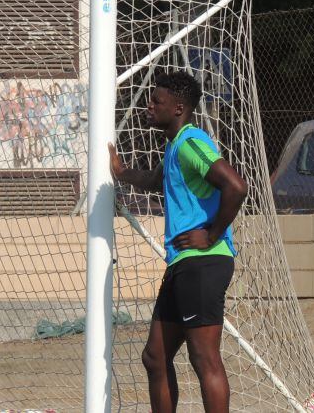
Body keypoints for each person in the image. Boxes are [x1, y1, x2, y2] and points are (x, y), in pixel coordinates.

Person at [108, 71, 248, 413]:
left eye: (157, 101)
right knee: (155, 357)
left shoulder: (190, 142)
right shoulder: (175, 147)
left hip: (204, 261)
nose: (149, 106)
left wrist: (211, 233)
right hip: (183, 263)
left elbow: (237, 186)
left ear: (179, 107)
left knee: (204, 359)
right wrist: (121, 172)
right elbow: (156, 179)